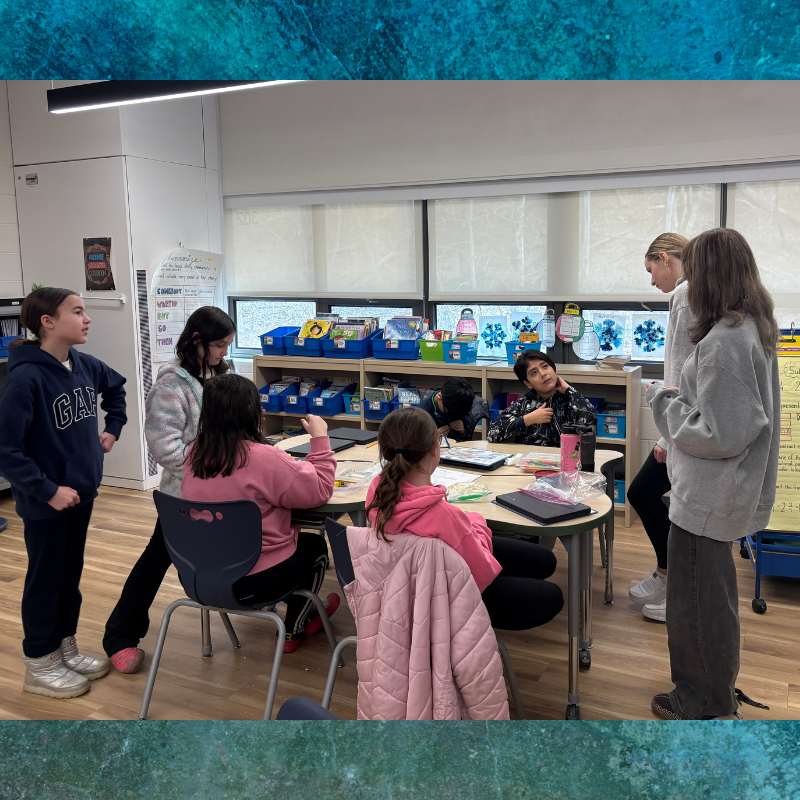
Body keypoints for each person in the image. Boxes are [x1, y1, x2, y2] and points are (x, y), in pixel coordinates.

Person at [647, 228, 780, 720]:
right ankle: (715, 693)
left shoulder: (726, 340)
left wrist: (663, 402)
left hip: (708, 496)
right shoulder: (751, 327)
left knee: (695, 609)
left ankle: (702, 704)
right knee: (712, 601)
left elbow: (721, 434)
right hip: (721, 493)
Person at [0, 287, 127, 698]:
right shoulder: (25, 378)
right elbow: (6, 449)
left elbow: (116, 389)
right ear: (48, 322)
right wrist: (47, 490)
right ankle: (39, 662)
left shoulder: (84, 365)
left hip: (82, 494)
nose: (87, 318)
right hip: (46, 503)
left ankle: (63, 647)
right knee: (46, 581)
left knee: (69, 578)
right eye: (77, 311)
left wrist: (113, 428)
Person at [103, 306, 235, 673]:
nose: (224, 352)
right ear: (197, 341)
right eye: (219, 345)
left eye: (227, 345)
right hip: (184, 495)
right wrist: (213, 467)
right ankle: (120, 637)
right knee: (155, 560)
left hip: (228, 489)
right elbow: (164, 449)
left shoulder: (223, 374)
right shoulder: (170, 386)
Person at [365, 406, 564, 632]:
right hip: (453, 599)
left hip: (409, 589)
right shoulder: (444, 516)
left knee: (544, 560)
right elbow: (483, 572)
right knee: (552, 594)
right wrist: (475, 522)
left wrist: (464, 525)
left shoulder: (378, 493)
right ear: (434, 449)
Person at [181, 374, 340, 652]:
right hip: (253, 583)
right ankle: (293, 628)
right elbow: (321, 490)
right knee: (314, 546)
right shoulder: (263, 457)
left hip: (199, 577)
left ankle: (303, 606)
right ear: (250, 412)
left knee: (287, 549)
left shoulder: (193, 454)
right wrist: (320, 438)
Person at [627, 233, 694, 623]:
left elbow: (682, 370)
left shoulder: (684, 294)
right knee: (647, 493)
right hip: (687, 422)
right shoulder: (694, 291)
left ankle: (675, 584)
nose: (652, 281)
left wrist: (668, 436)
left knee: (643, 492)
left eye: (651, 270)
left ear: (665, 258)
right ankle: (667, 575)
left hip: (684, 427)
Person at [487, 350, 596, 447]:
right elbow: (492, 434)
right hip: (529, 459)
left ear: (553, 368)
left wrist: (569, 390)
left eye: (545, 366)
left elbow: (589, 422)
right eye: (534, 373)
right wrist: (528, 419)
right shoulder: (524, 404)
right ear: (528, 384)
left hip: (565, 458)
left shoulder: (570, 400)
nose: (543, 374)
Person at [418, 377, 489, 442]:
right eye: (450, 413)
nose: (455, 416)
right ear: (439, 398)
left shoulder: (461, 405)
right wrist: (433, 437)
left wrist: (462, 431)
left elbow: (465, 439)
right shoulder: (422, 415)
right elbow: (417, 445)